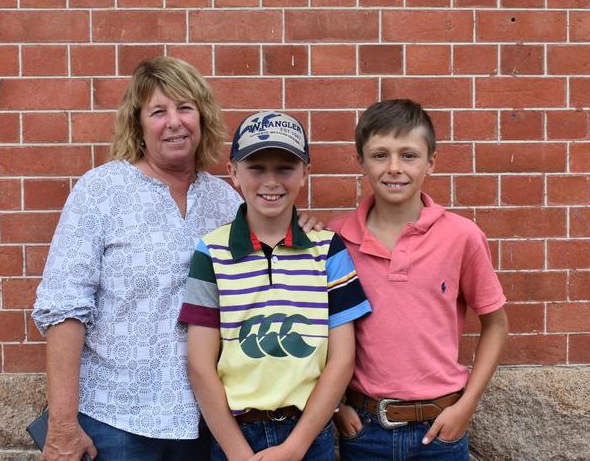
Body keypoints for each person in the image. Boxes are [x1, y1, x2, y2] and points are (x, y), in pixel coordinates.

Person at [32, 58, 319, 461]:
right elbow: (64, 308)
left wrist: (299, 223)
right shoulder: (101, 192)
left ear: (202, 116)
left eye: (185, 108)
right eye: (158, 111)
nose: (174, 122)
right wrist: (63, 424)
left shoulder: (226, 201)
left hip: (208, 420)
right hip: (117, 419)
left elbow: (268, 263)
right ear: (138, 124)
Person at [180, 111, 372, 461]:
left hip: (310, 434)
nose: (271, 181)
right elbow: (199, 364)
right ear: (233, 173)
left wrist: (297, 446)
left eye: (285, 168)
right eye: (256, 168)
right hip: (234, 434)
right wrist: (237, 452)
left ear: (304, 174)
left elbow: (342, 359)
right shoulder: (211, 251)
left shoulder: (328, 250)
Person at [329, 99, 509, 461]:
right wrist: (335, 408)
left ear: (430, 161)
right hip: (363, 429)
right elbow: (318, 330)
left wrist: (466, 406)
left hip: (439, 429)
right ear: (360, 161)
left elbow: (496, 325)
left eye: (408, 155)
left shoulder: (462, 237)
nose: (394, 168)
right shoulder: (336, 239)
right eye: (380, 155)